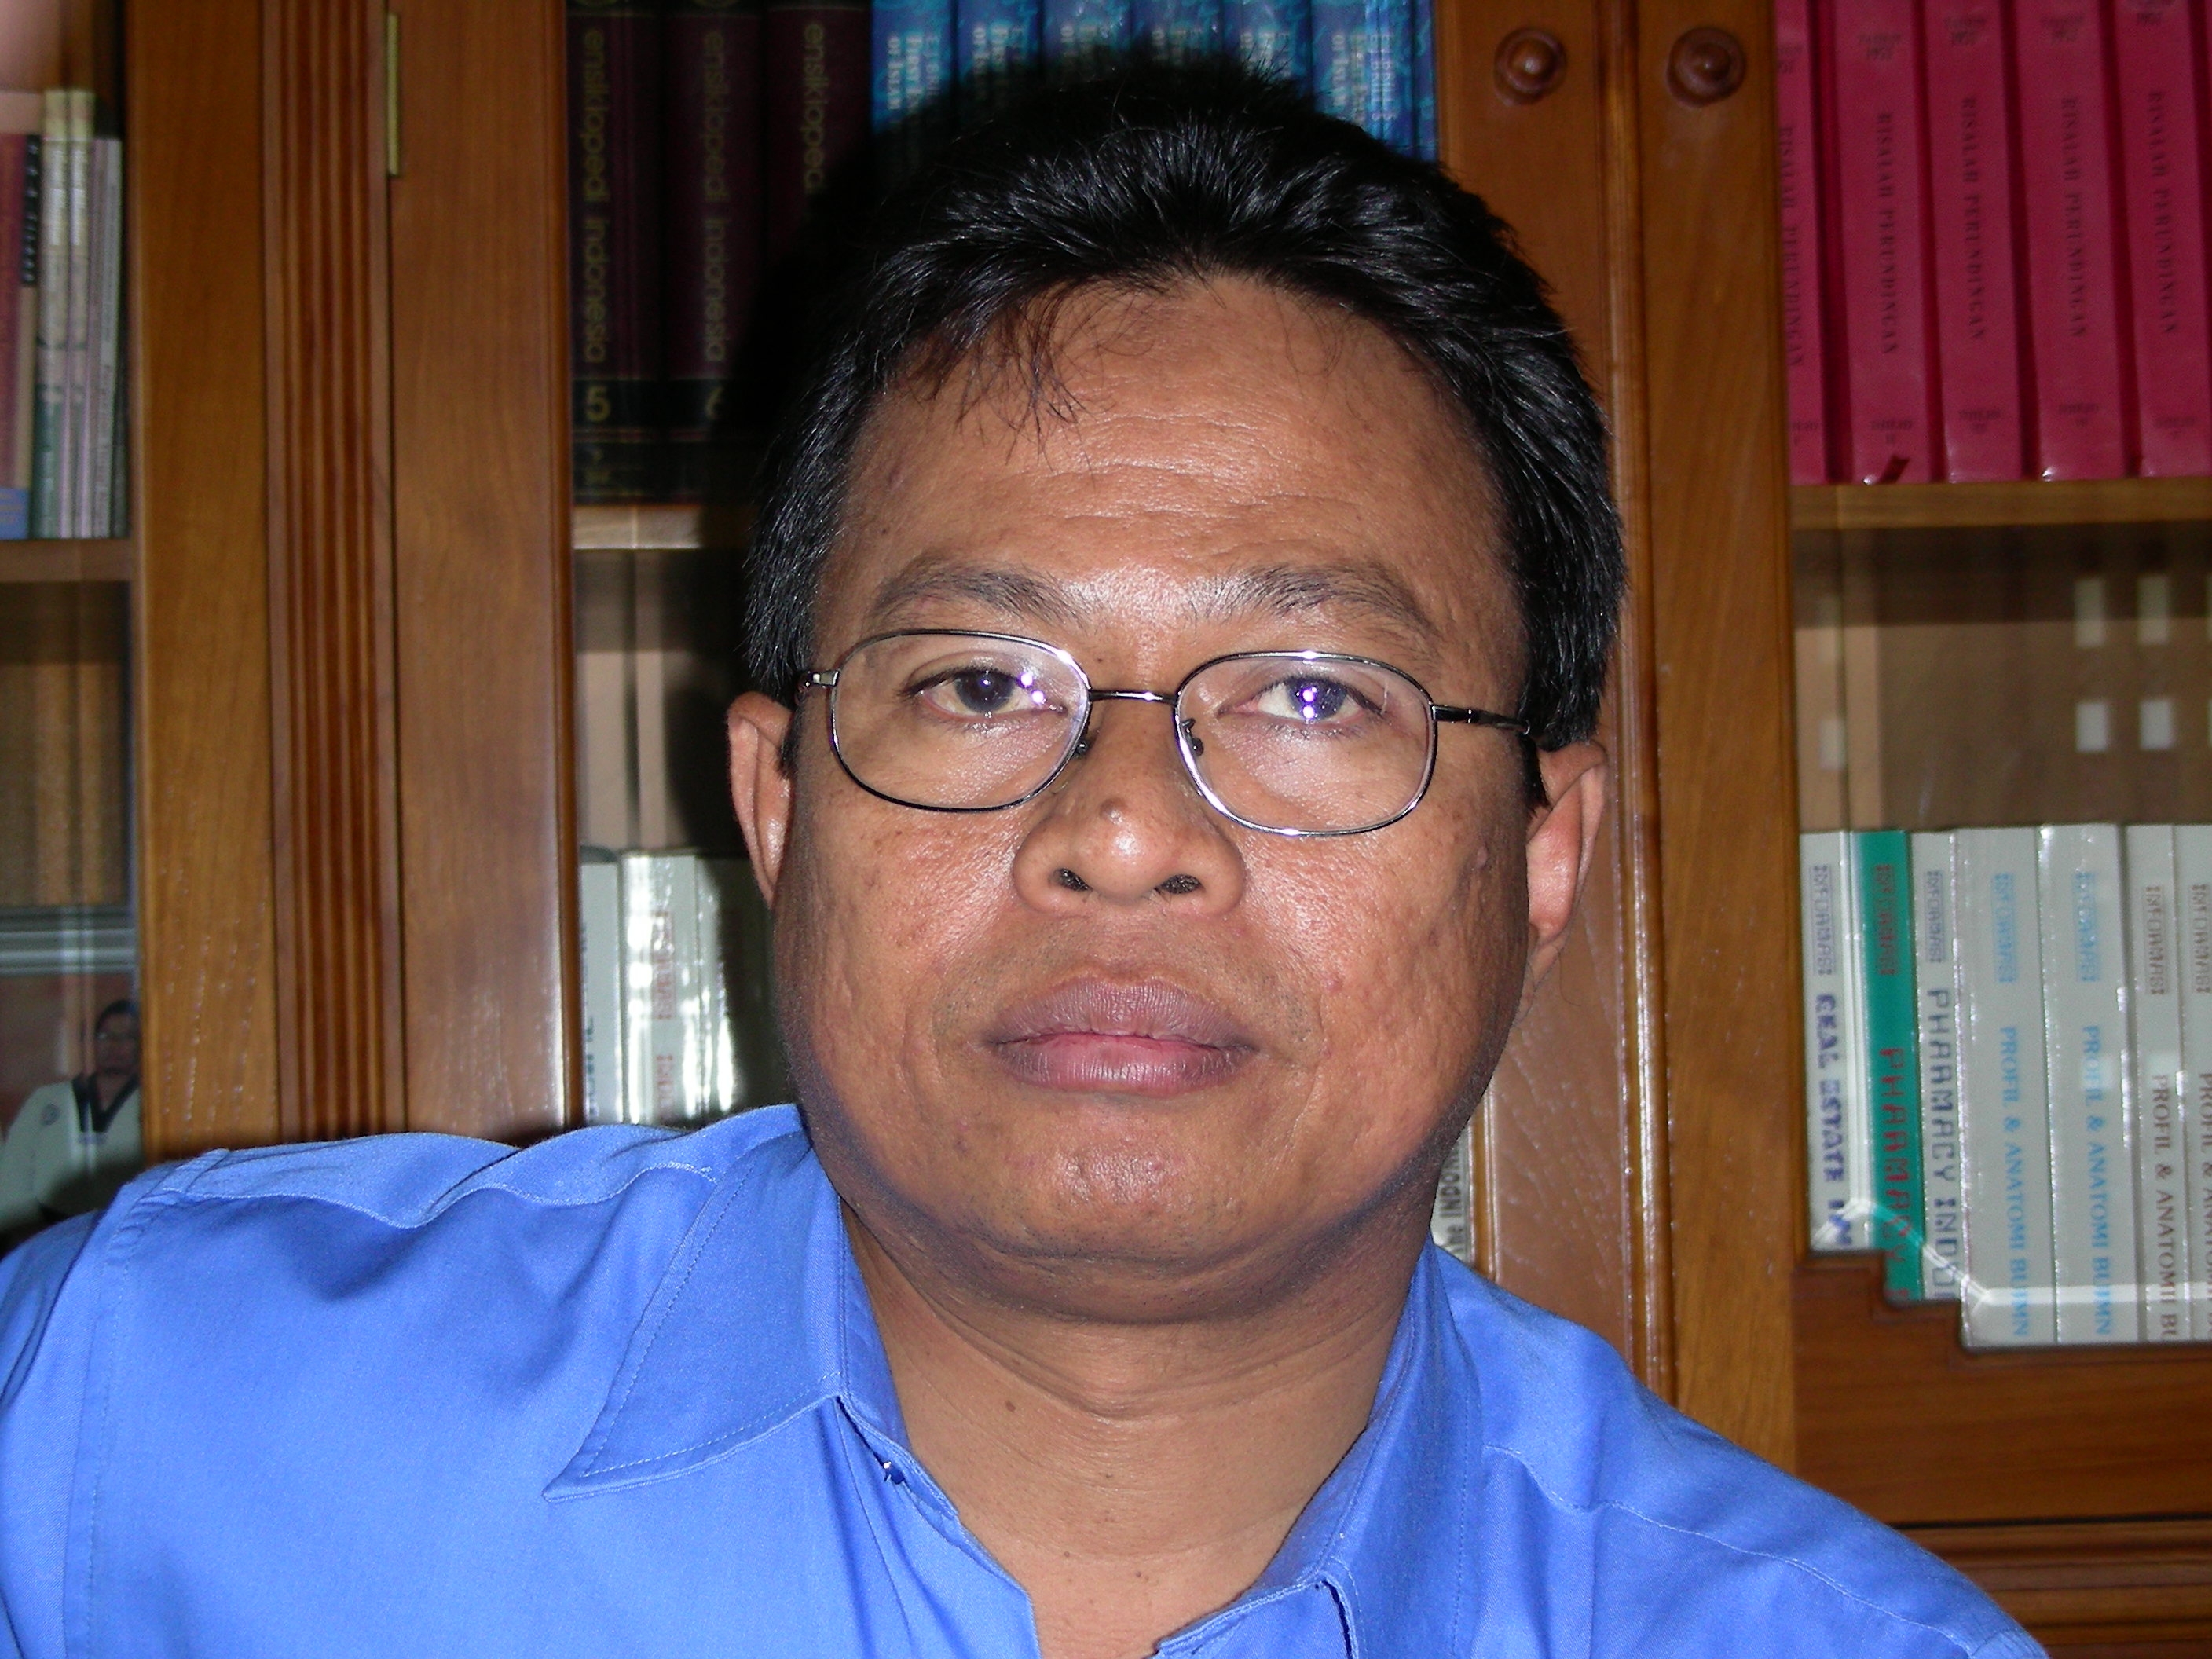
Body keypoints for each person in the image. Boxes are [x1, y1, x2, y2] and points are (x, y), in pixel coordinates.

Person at [0, 67, 2034, 1657]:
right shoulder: (148, 1421)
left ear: (1541, 857)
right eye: (978, 681)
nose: (1124, 830)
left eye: (1312, 693)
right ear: (777, 808)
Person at [0, 998, 141, 1246]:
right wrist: (26, 1231)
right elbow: (14, 1170)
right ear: (91, 1042)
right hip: (44, 1231)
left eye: (126, 1037)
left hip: (124, 1231)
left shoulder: (151, 1103)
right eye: (105, 1036)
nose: (114, 1045)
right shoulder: (47, 1100)